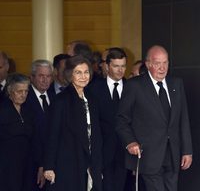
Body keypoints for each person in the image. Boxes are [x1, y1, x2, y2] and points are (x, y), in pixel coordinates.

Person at [116, 45, 193, 191]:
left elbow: (183, 119)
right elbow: (121, 120)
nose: (162, 68)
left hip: (173, 154)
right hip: (148, 154)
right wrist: (130, 142)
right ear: (148, 64)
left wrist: (187, 150)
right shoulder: (135, 86)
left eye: (165, 63)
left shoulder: (176, 84)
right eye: (158, 63)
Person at [44, 55, 102, 191]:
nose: (83, 76)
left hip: (90, 161)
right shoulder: (61, 101)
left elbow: (97, 135)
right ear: (70, 75)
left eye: (86, 72)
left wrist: (98, 165)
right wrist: (49, 166)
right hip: (67, 161)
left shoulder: (92, 99)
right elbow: (52, 135)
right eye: (78, 72)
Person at [89, 47, 128, 191]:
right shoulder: (94, 89)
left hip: (127, 154)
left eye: (123, 66)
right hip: (102, 153)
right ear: (107, 66)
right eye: (116, 66)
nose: (120, 70)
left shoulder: (133, 88)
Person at [25, 59, 55, 191]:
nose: (45, 80)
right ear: (32, 77)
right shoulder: (25, 98)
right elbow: (32, 136)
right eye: (41, 76)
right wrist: (41, 164)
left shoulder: (55, 97)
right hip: (31, 165)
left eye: (48, 76)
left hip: (52, 165)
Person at [0, 73, 33, 191]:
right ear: (10, 91)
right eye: (19, 91)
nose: (23, 95)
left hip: (27, 167)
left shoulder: (28, 110)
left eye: (26, 91)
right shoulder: (3, 111)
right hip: (6, 169)